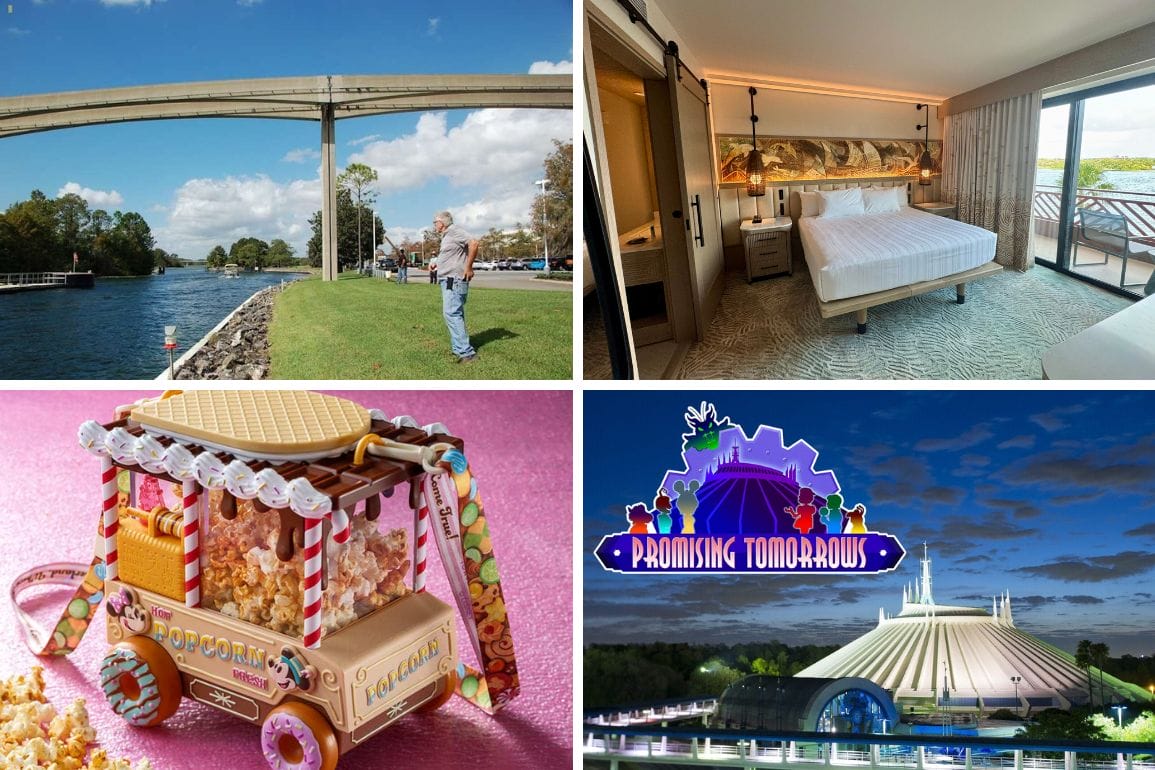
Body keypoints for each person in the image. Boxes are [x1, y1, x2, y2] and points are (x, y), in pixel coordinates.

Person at [432, 210, 478, 363]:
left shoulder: (454, 231)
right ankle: (459, 348)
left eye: (435, 222)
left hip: (454, 279)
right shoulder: (447, 236)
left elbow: (473, 243)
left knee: (451, 313)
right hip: (448, 279)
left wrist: (469, 267)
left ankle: (466, 353)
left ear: (442, 222)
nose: (434, 225)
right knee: (455, 313)